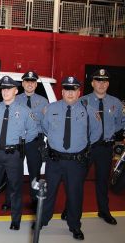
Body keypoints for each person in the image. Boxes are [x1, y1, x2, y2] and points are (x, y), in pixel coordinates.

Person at [40, 76, 102, 240]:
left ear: (78, 92)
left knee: (75, 195)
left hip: (76, 162)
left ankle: (75, 226)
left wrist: (82, 145)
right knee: (48, 192)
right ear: (62, 91)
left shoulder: (88, 110)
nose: (70, 93)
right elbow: (45, 128)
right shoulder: (51, 108)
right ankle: (42, 220)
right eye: (67, 89)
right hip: (54, 160)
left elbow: (96, 132)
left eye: (73, 90)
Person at [0, 76, 38, 231]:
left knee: (15, 188)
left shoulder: (25, 111)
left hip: (14, 155)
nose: (5, 92)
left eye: (9, 89)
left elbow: (33, 131)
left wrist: (21, 141)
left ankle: (15, 219)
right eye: (3, 89)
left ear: (16, 91)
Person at [80, 69, 124, 225]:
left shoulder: (116, 103)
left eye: (104, 81)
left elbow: (120, 124)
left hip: (105, 148)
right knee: (77, 180)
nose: (101, 84)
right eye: (98, 81)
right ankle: (71, 210)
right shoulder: (82, 101)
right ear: (92, 83)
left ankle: (104, 211)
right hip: (86, 147)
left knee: (102, 181)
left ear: (108, 84)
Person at [15, 71, 48, 210]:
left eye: (32, 82)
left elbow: (47, 123)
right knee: (14, 171)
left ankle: (34, 199)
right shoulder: (15, 99)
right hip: (18, 140)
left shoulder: (44, 102)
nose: (29, 84)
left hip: (35, 141)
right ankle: (12, 200)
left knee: (34, 171)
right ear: (22, 83)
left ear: (36, 84)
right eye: (27, 81)